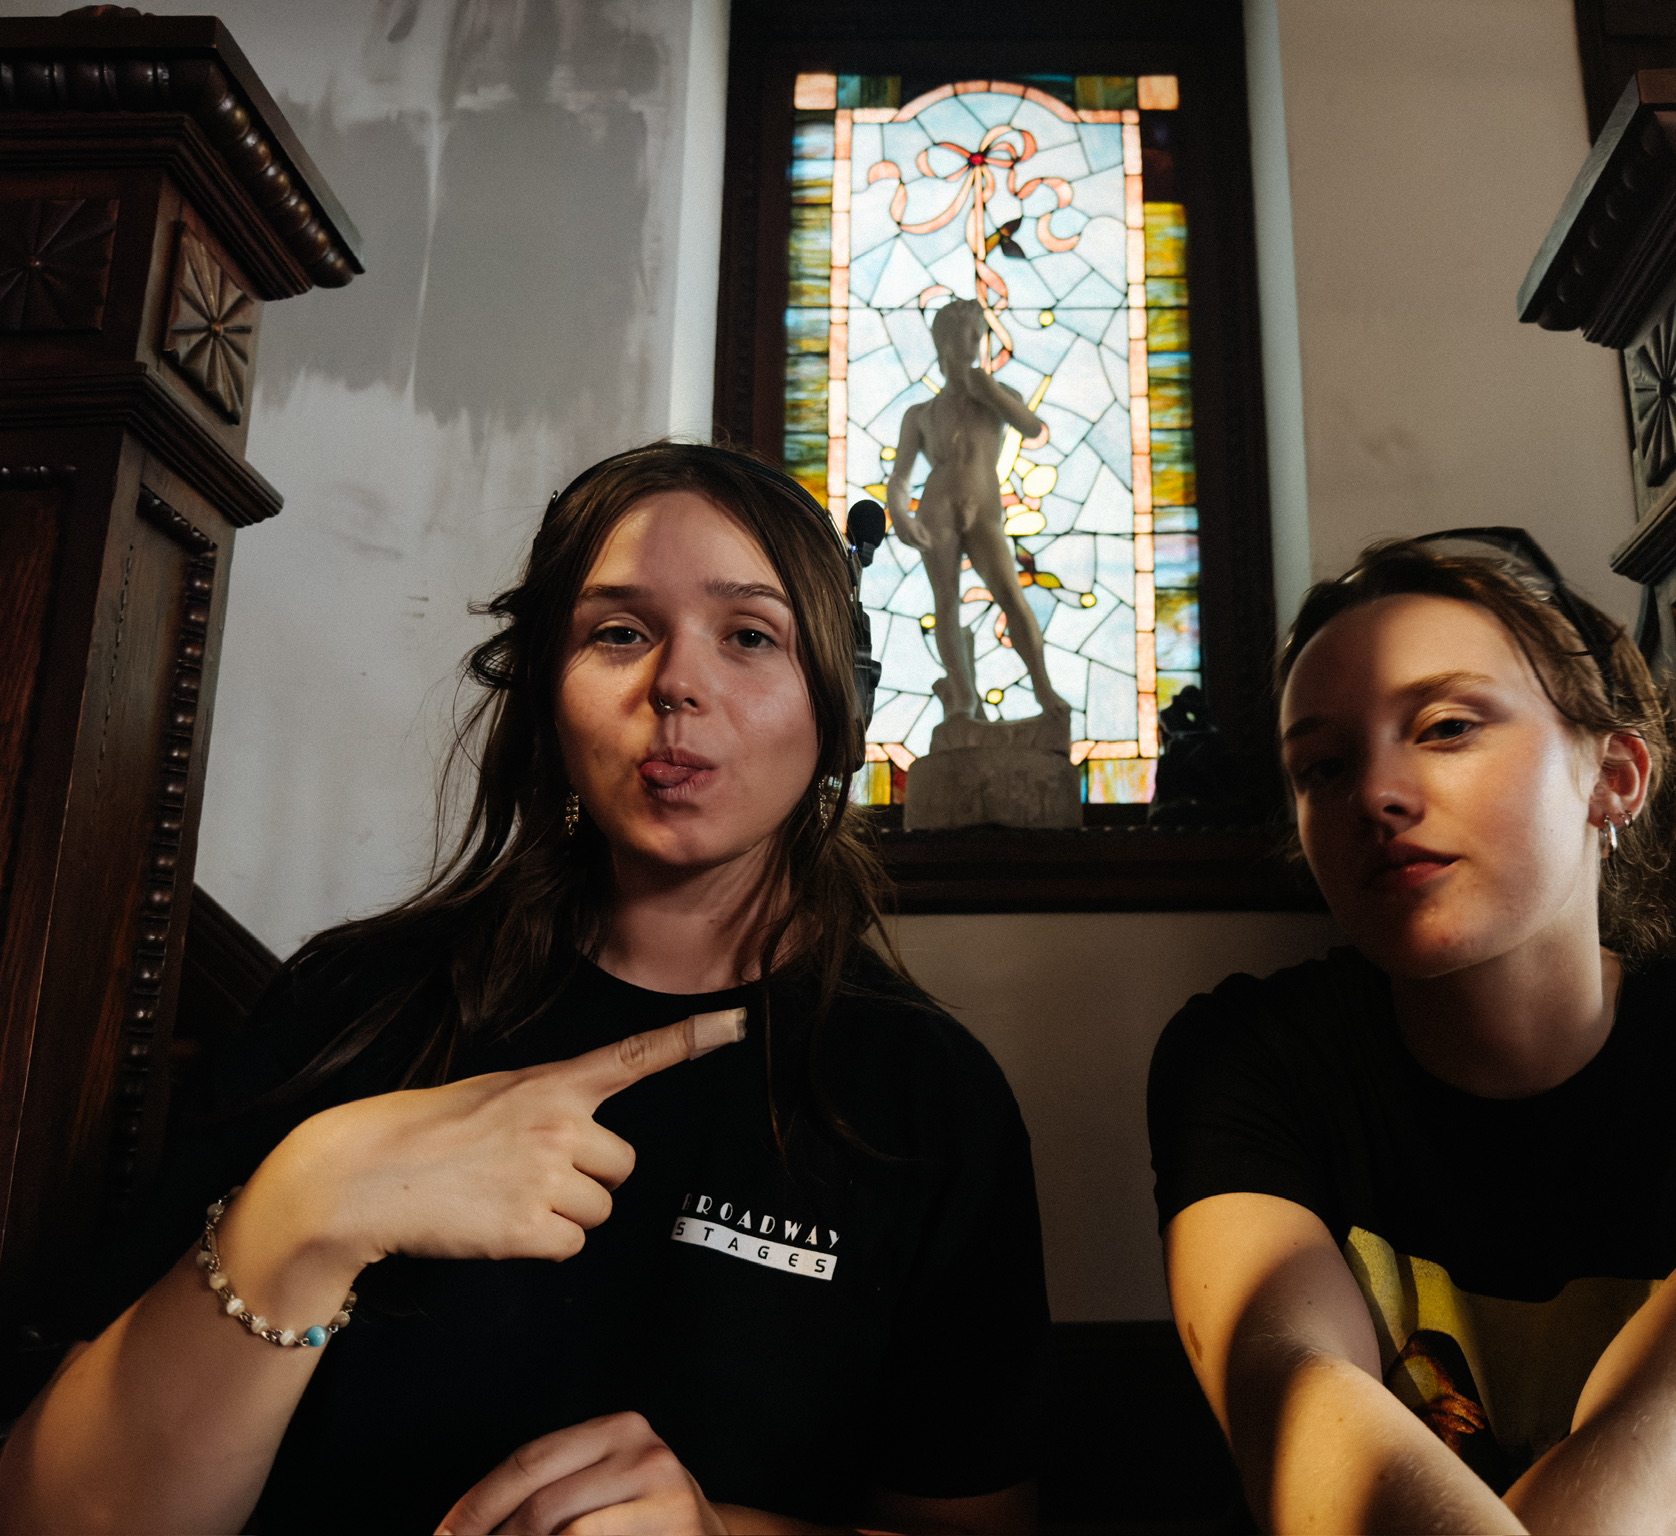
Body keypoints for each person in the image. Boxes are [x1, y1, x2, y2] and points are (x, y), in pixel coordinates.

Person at [0, 443, 1047, 1536]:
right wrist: (307, 1202)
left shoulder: (930, 1101)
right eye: (619, 633)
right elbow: (46, 1515)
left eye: (749, 635)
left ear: (838, 707)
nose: (675, 684)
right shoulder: (350, 1008)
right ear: (548, 694)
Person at [1147, 530, 1676, 1535]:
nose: (1374, 794)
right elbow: (1290, 1400)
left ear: (1614, 776)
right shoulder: (1247, 1059)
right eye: (1323, 767)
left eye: (1447, 726)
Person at [885, 299, 1068, 722]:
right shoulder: (921, 414)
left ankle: (1044, 689)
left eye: (980, 335)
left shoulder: (997, 397)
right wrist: (900, 515)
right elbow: (900, 476)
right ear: (947, 341)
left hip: (984, 508)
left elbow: (1032, 428)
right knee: (946, 600)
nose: (977, 342)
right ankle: (964, 698)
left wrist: (990, 391)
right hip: (937, 509)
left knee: (1010, 594)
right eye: (971, 333)